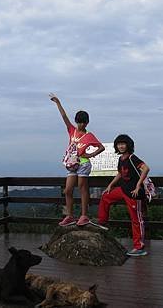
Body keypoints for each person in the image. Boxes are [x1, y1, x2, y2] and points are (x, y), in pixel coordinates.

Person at [49, 93, 105, 227]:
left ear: (87, 123)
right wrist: (58, 103)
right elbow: (64, 117)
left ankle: (84, 215)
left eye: (83, 122)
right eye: (78, 122)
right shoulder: (72, 130)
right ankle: (70, 216)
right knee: (68, 190)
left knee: (82, 188)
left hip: (84, 164)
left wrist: (90, 155)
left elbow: (101, 147)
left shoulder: (89, 136)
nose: (80, 124)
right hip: (72, 164)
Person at [97, 134, 150, 256]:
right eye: (118, 144)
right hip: (123, 189)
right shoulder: (121, 159)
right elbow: (120, 173)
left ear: (128, 145)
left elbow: (146, 168)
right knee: (105, 197)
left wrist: (138, 185)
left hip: (133, 193)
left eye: (123, 144)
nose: (120, 146)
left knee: (136, 220)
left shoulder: (132, 158)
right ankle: (102, 223)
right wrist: (111, 185)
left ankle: (139, 246)